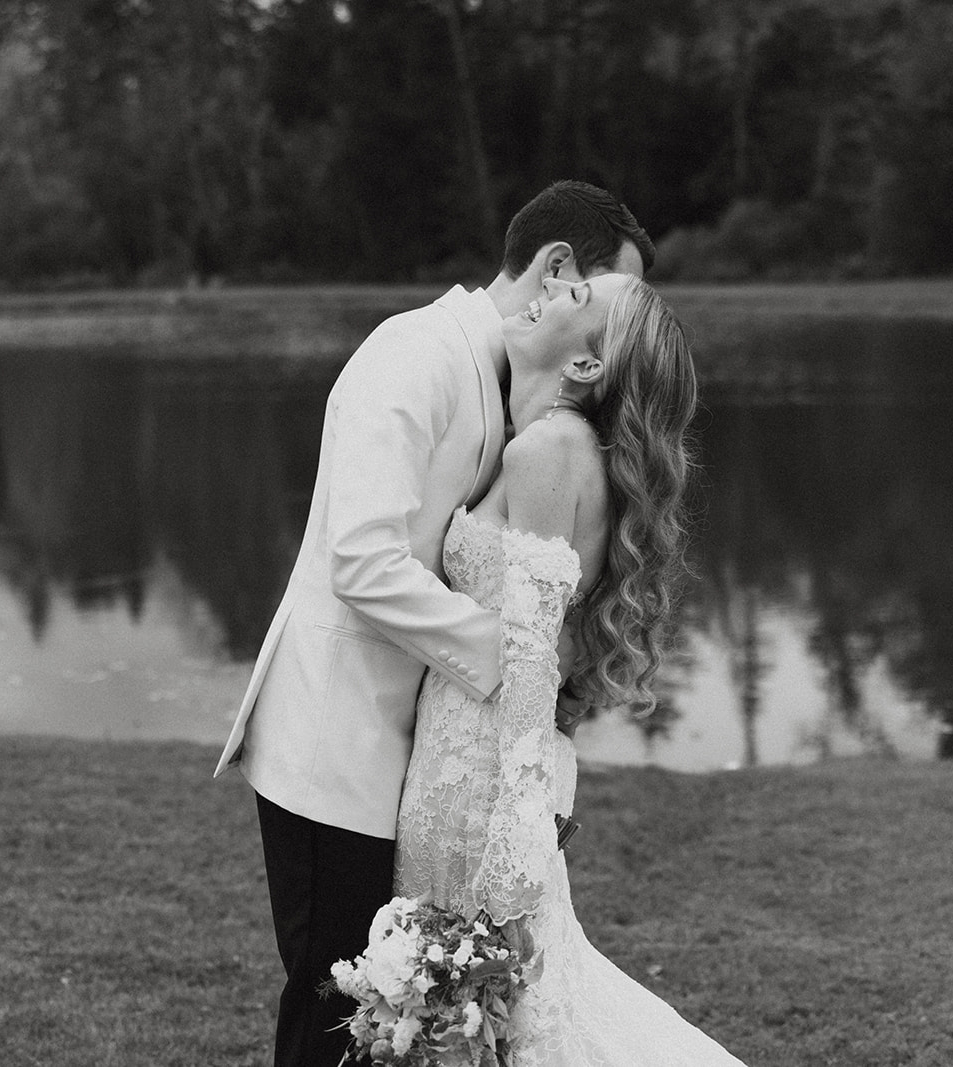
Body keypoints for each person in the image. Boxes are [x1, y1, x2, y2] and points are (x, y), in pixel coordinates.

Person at [214, 181, 653, 1067]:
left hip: (420, 767)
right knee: (335, 1012)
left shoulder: (528, 402)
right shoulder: (411, 353)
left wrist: (522, 755)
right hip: (333, 749)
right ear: (557, 268)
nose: (596, 316)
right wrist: (517, 666)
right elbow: (364, 561)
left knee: (401, 1022)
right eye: (602, 292)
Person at [395, 272, 747, 1064]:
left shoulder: (549, 451)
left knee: (490, 1019)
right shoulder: (572, 451)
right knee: (481, 1017)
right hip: (480, 759)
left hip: (482, 775)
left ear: (587, 368)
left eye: (578, 292)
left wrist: (517, 825)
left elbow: (529, 649)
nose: (553, 285)